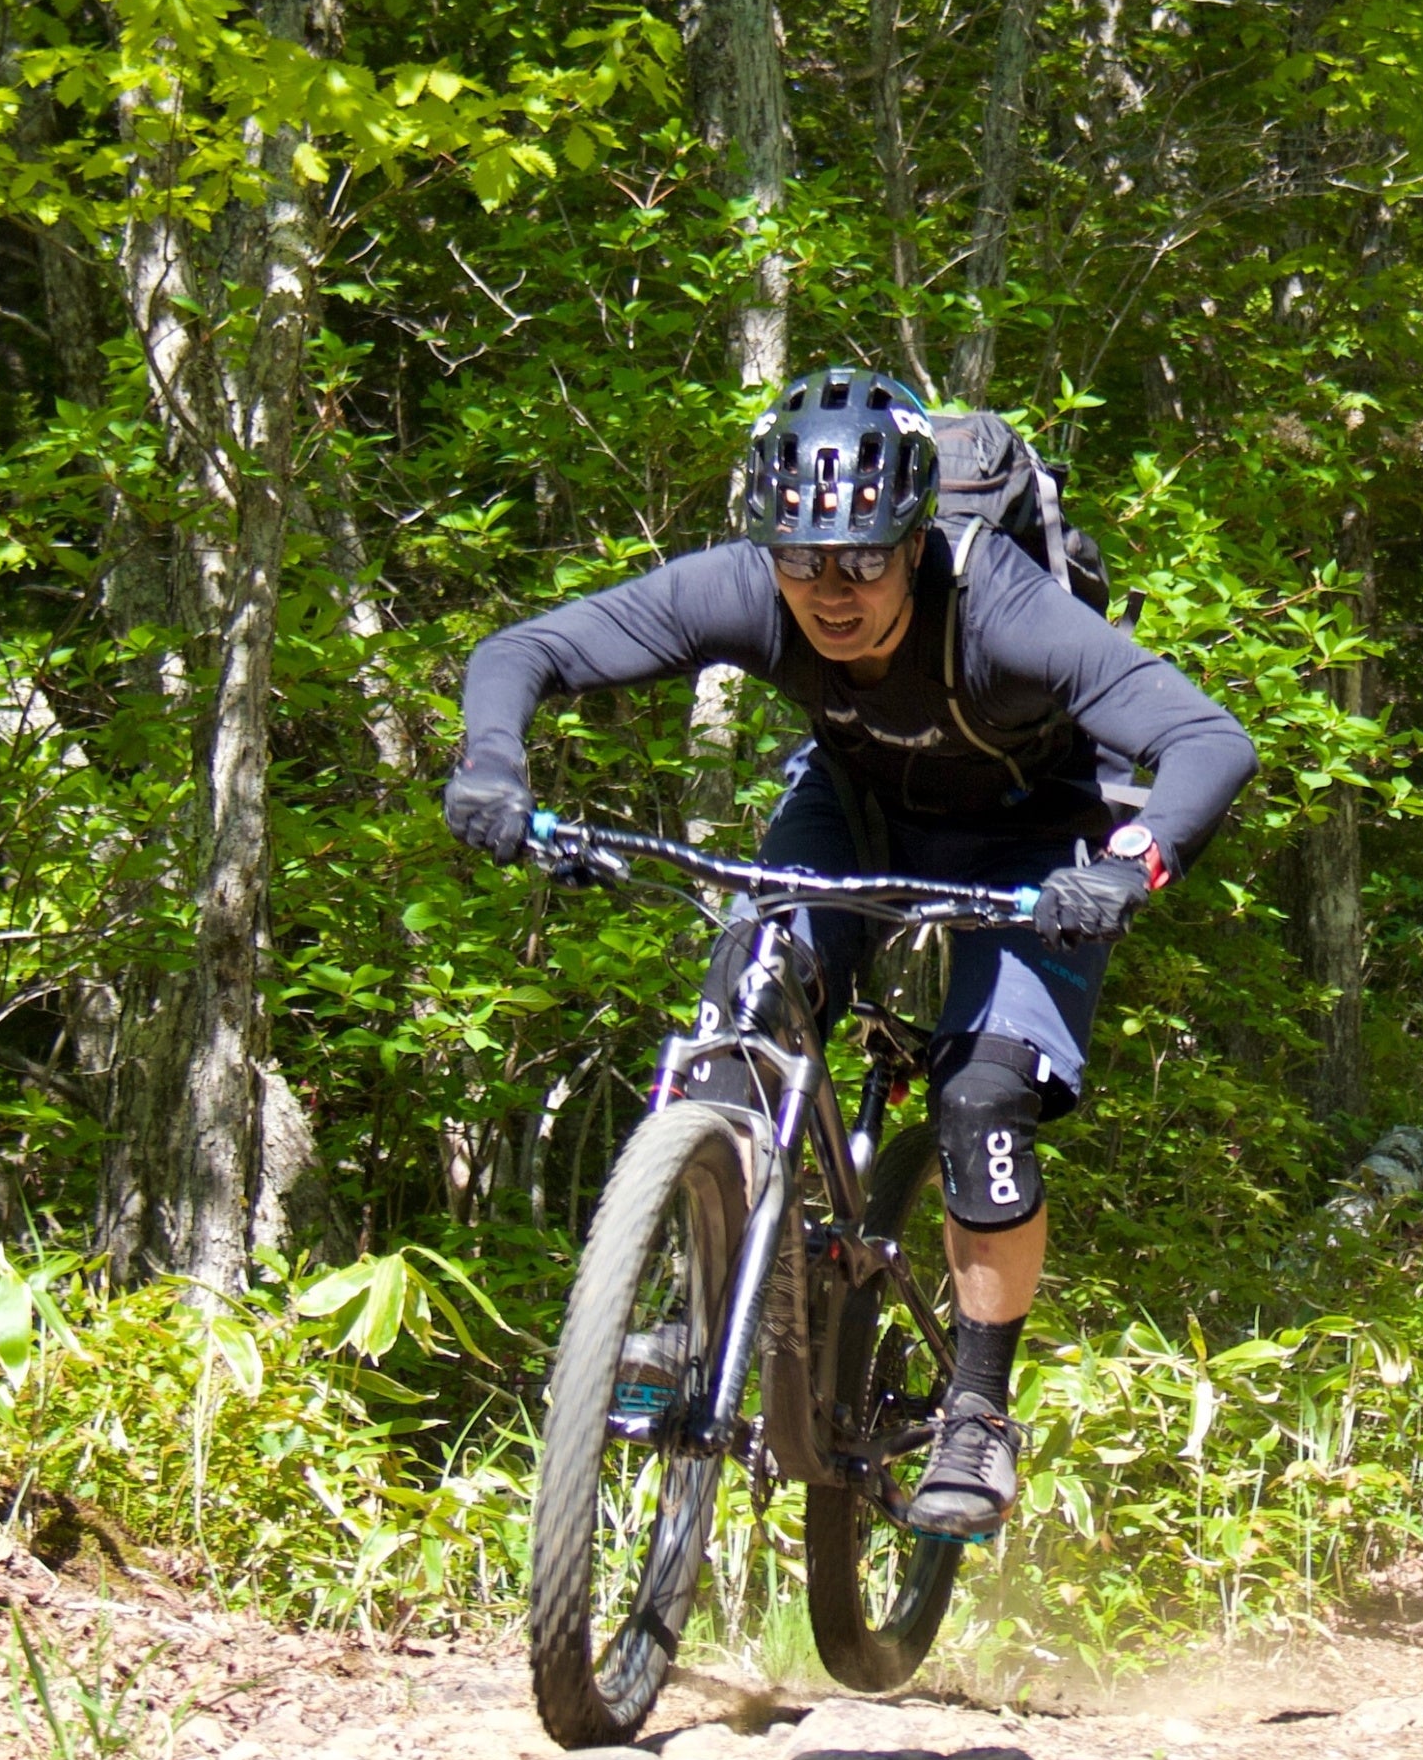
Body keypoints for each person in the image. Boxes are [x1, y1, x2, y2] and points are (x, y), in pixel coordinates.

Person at [445, 367, 1258, 1537]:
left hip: (1041, 833)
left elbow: (1204, 740)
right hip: (860, 801)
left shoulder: (1006, 611)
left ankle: (975, 1407)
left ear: (915, 542)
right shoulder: (753, 588)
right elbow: (528, 651)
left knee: (983, 1095)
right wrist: (493, 767)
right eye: (801, 558)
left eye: (865, 560)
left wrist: (1131, 866)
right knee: (748, 1003)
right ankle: (690, 1312)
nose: (830, 589)